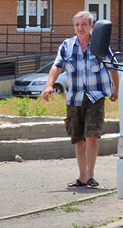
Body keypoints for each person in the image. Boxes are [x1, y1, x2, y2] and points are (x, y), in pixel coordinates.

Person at [42, 10, 118, 189]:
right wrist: (49, 85)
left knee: (91, 135)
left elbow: (113, 67)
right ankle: (82, 177)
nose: (80, 28)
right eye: (77, 25)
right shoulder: (67, 45)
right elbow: (56, 66)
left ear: (92, 26)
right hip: (74, 97)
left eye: (84, 24)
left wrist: (116, 90)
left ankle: (91, 176)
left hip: (96, 96)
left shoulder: (100, 45)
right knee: (78, 138)